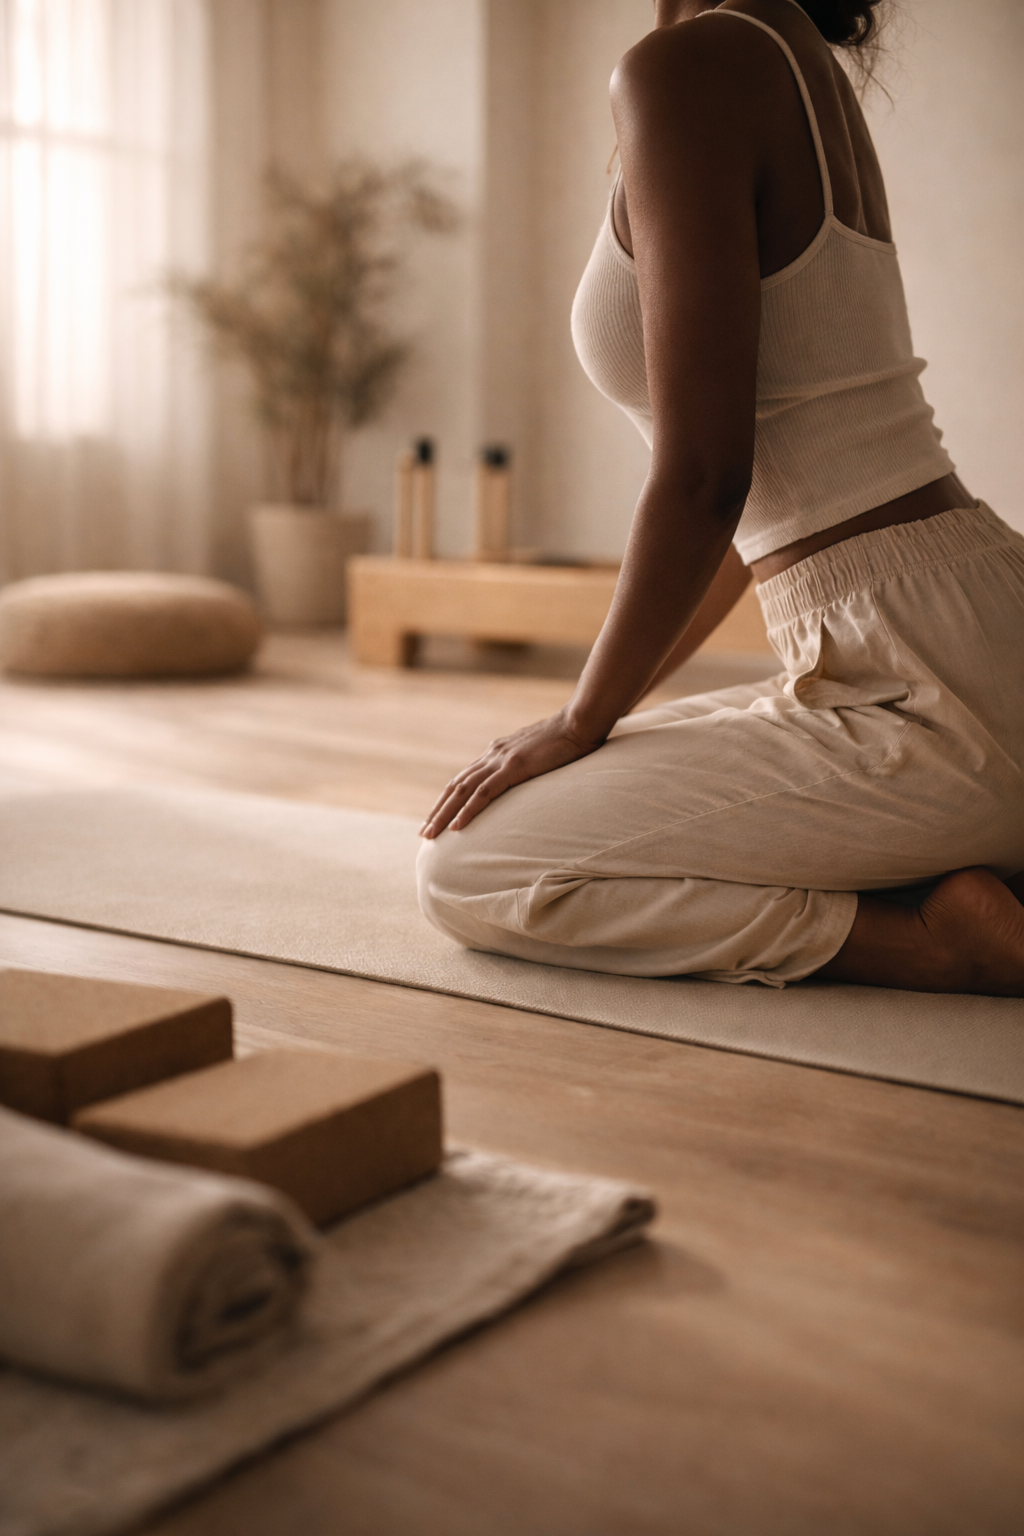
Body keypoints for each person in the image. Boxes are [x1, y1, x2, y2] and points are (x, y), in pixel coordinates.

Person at [417, 0, 1024, 996]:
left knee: (472, 868)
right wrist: (596, 720)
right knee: (574, 775)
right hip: (952, 634)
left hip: (926, 687)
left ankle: (932, 940)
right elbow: (743, 522)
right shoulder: (789, 54)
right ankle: (981, 854)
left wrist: (578, 723)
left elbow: (707, 478)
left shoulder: (686, 68)